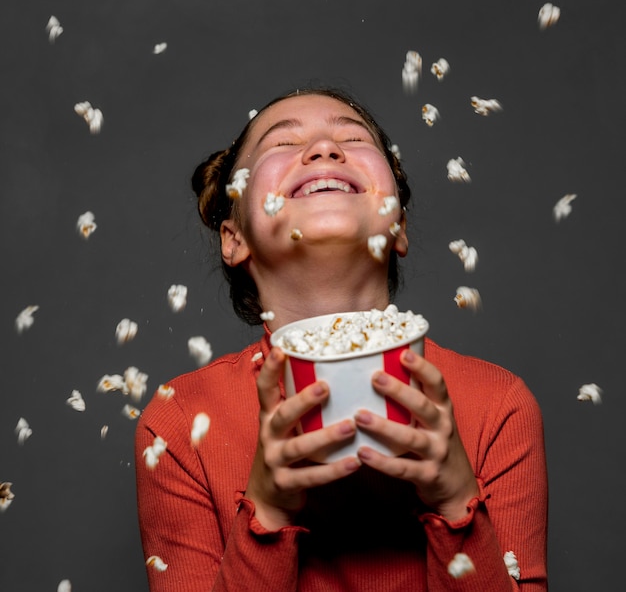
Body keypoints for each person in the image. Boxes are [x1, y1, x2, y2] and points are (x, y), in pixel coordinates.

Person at [134, 88, 548, 591]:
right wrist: (266, 512)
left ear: (397, 226)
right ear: (234, 237)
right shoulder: (180, 422)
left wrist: (457, 501)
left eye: (353, 138)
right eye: (280, 144)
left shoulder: (498, 403)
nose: (325, 149)